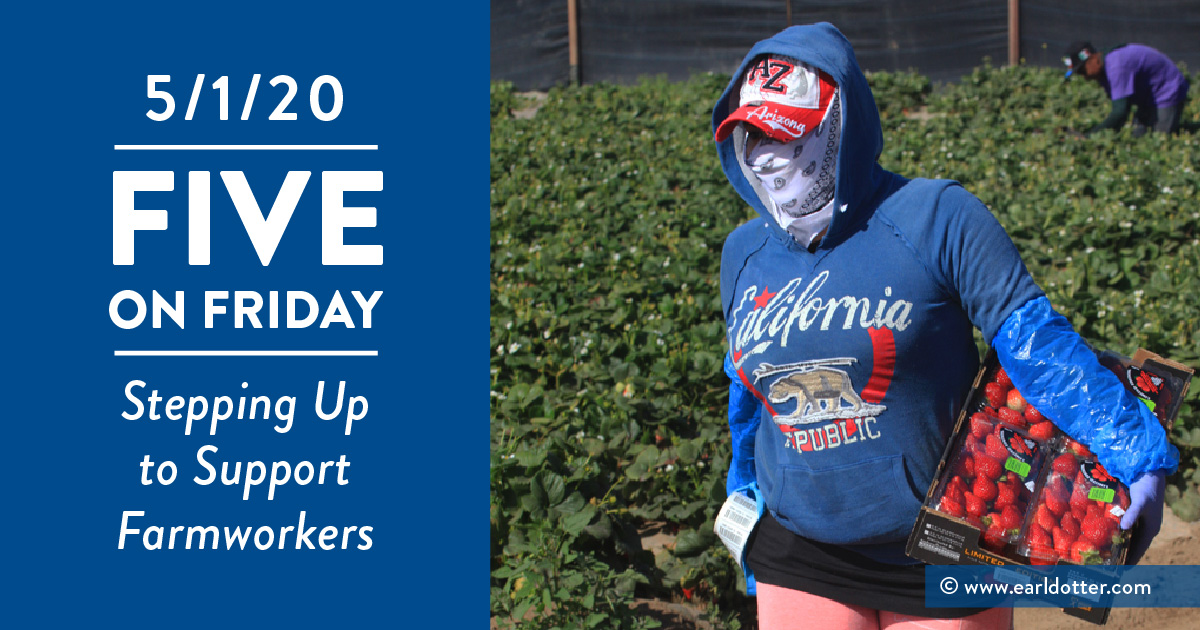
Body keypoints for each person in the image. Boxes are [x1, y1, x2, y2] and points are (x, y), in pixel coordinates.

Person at [711, 23, 1177, 630]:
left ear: (840, 122)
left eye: (785, 131)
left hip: (943, 542)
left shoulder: (935, 216)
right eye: (750, 133)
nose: (767, 152)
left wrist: (1138, 454)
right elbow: (747, 390)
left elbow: (1032, 342)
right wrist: (745, 496)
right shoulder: (744, 252)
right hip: (800, 547)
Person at [1063, 41, 1190, 136]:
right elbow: (1123, 108)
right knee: (1139, 134)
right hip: (1147, 94)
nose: (1084, 77)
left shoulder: (1116, 66)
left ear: (1093, 59)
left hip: (1167, 89)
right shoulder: (1103, 70)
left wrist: (1090, 136)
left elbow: (1120, 112)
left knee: (1160, 137)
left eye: (1082, 71)